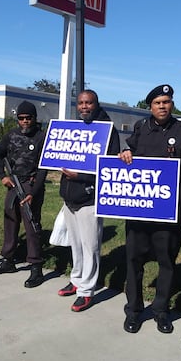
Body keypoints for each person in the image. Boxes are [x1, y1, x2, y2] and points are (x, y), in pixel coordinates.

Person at [119, 84, 181, 334]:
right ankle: (134, 311)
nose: (162, 106)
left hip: (170, 212)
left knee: (167, 263)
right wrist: (125, 153)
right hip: (139, 210)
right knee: (134, 262)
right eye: (157, 102)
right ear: (150, 106)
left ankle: (161, 311)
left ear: (172, 104)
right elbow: (129, 154)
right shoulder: (140, 128)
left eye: (166, 102)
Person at [57, 90, 120, 312]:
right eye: (81, 103)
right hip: (69, 197)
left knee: (90, 245)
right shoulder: (74, 127)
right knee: (75, 244)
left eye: (89, 103)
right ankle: (76, 280)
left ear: (96, 104)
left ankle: (87, 291)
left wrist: (81, 176)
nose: (84, 107)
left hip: (89, 198)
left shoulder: (107, 130)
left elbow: (109, 166)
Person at [0, 101, 48, 288]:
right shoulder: (11, 135)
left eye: (28, 118)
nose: (24, 121)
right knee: (10, 220)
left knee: (31, 224)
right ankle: (8, 260)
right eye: (21, 118)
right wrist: (2, 176)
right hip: (13, 184)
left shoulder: (41, 138)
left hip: (31, 184)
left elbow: (43, 168)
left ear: (34, 118)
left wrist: (35, 191)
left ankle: (35, 266)